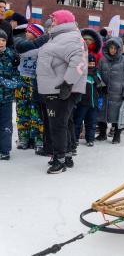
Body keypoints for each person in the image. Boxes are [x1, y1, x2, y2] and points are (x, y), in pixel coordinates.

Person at [36, 10, 87, 173]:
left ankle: (60, 160)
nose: (51, 22)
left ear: (63, 21)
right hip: (55, 87)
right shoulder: (60, 37)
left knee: (58, 125)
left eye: (54, 19)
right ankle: (66, 154)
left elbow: (79, 62)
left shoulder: (70, 38)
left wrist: (67, 83)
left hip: (60, 88)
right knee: (64, 122)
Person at [14, 24, 45, 153]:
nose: (26, 33)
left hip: (35, 81)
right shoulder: (21, 45)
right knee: (22, 109)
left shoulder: (42, 48)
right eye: (26, 31)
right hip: (22, 80)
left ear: (37, 35)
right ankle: (24, 137)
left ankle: (38, 138)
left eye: (30, 31)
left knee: (36, 112)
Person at [97, 38, 124, 143]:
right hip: (104, 93)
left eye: (115, 48)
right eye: (110, 48)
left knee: (118, 115)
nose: (112, 50)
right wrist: (101, 86)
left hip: (118, 94)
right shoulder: (102, 60)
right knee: (101, 113)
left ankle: (117, 135)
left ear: (119, 49)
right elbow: (98, 75)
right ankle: (102, 133)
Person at [73, 54, 104, 147]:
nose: (91, 65)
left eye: (93, 63)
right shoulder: (81, 73)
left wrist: (100, 98)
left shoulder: (96, 73)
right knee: (78, 121)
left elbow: (100, 86)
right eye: (89, 63)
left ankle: (90, 139)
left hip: (93, 103)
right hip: (82, 102)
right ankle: (74, 139)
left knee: (91, 122)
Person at [0, 29, 20, 160]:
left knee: (6, 124)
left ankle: (5, 150)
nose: (1, 43)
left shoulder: (11, 56)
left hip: (6, 97)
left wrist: (5, 82)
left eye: (3, 40)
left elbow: (17, 79)